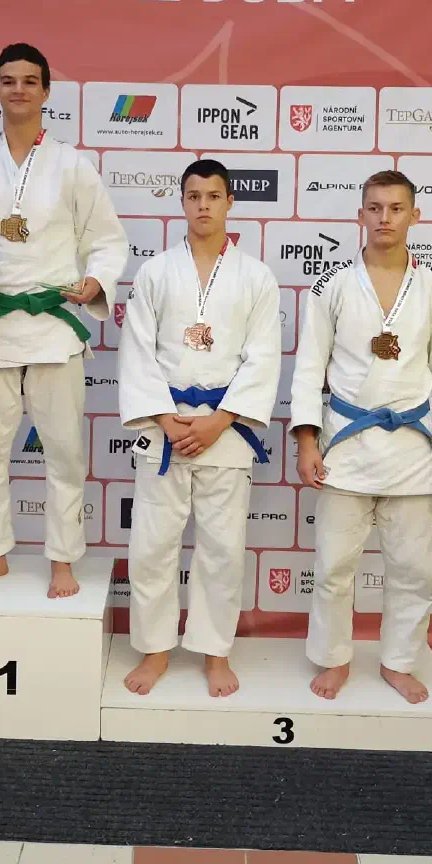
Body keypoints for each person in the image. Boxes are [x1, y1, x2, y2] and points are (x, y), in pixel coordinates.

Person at [0, 44, 127, 599]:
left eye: (29, 81)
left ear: (46, 91)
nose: (19, 89)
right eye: (8, 80)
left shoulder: (72, 165)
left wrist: (96, 281)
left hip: (54, 323)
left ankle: (62, 559)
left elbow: (107, 240)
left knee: (64, 451)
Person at [289, 170, 432, 704]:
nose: (385, 218)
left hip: (411, 448)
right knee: (333, 567)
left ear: (415, 216)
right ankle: (333, 658)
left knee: (413, 571)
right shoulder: (332, 286)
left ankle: (399, 662)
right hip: (346, 445)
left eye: (396, 208)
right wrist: (307, 440)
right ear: (361, 215)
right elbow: (309, 368)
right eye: (375, 208)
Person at [117, 159, 281, 697]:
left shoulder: (255, 277)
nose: (203, 205)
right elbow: (137, 350)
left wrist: (219, 421)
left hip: (225, 431)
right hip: (163, 428)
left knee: (222, 549)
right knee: (152, 546)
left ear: (230, 201)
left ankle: (215, 652)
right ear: (182, 202)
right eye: (194, 196)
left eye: (213, 196)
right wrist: (166, 418)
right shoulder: (155, 272)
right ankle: (155, 649)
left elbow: (262, 357)